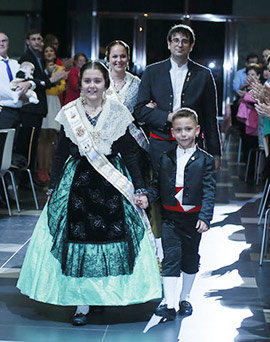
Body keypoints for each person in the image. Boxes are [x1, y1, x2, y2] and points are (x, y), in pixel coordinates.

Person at [17, 61, 161, 326]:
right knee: (78, 239)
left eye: (97, 81)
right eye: (87, 81)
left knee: (112, 237)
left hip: (111, 187)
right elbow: (60, 152)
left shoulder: (117, 111)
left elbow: (129, 152)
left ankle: (104, 296)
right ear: (80, 84)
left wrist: (139, 186)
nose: (92, 86)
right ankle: (82, 303)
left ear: (105, 84)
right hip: (78, 184)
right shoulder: (70, 111)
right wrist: (54, 185)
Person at [135, 108, 216, 321]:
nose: (183, 134)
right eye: (178, 130)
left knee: (190, 258)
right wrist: (147, 197)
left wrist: (205, 217)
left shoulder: (205, 160)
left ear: (197, 130)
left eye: (188, 129)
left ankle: (185, 297)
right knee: (170, 258)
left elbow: (209, 190)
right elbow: (156, 186)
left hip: (193, 219)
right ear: (172, 132)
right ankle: (169, 303)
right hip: (170, 218)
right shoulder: (165, 158)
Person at [134, 24, 221, 172]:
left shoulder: (204, 75)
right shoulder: (152, 72)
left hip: (193, 145)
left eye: (184, 41)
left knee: (192, 192)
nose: (179, 44)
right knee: (160, 192)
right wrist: (168, 116)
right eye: (175, 40)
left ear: (191, 46)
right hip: (160, 144)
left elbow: (210, 118)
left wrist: (215, 154)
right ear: (169, 44)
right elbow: (140, 111)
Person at [17, 29, 67, 178]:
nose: (38, 42)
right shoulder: (27, 58)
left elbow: (38, 81)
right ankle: (25, 180)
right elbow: (28, 82)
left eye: (39, 39)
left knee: (32, 147)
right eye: (34, 39)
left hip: (37, 109)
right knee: (27, 146)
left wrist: (48, 75)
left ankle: (29, 178)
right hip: (30, 109)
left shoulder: (37, 58)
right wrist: (51, 79)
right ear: (27, 42)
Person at [37, 44, 66, 183]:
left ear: (55, 54)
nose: (49, 53)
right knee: (42, 137)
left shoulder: (60, 69)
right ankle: (40, 169)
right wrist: (50, 84)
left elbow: (60, 88)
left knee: (51, 138)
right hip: (42, 102)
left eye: (51, 51)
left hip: (54, 103)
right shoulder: (40, 68)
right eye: (46, 51)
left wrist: (49, 85)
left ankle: (48, 168)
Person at [0, 32, 36, 129]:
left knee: (17, 143)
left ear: (8, 43)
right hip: (2, 110)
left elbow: (30, 79)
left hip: (20, 111)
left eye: (4, 41)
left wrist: (29, 84)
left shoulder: (15, 64)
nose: (1, 44)